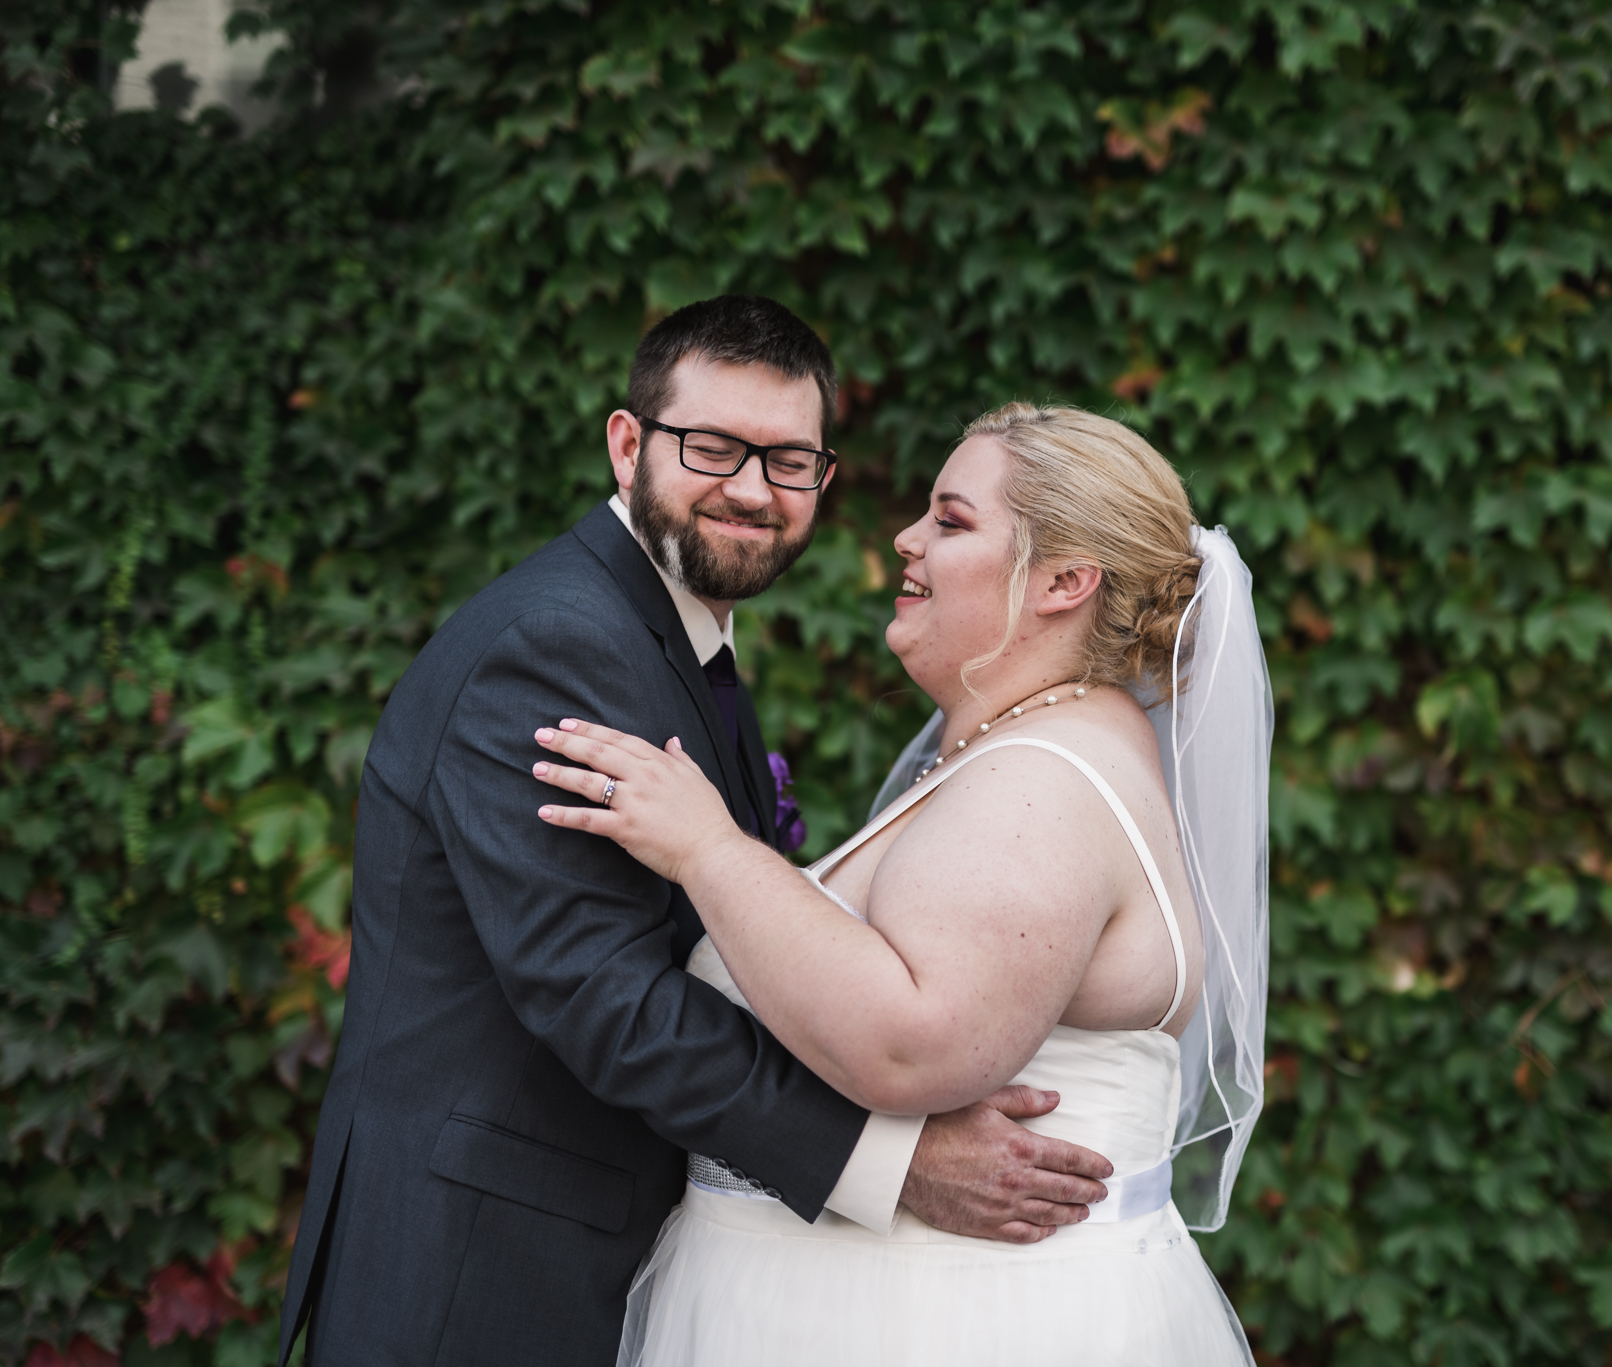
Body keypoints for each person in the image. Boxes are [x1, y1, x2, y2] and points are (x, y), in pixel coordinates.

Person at [277, 300, 1119, 1367]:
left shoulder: (664, 633)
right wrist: (886, 1161)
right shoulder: (557, 644)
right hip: (484, 1268)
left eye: (790, 460)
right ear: (627, 444)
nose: (753, 490)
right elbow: (601, 992)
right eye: (713, 447)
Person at [533, 402, 1273, 1365]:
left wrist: (708, 849)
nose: (906, 539)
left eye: (952, 522)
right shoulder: (1030, 748)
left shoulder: (1040, 784)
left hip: (942, 1322)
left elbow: (912, 1046)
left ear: (1064, 581)